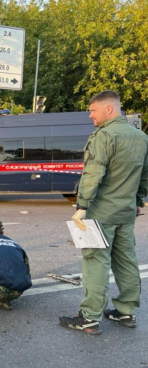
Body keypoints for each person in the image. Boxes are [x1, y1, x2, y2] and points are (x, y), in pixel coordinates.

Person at [60, 90, 148, 335]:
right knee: (126, 260)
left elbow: (93, 173)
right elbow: (145, 174)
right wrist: (139, 199)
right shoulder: (141, 137)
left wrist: (82, 206)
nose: (90, 115)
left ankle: (89, 317)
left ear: (109, 109)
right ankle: (126, 311)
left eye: (93, 110)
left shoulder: (104, 136)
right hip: (126, 211)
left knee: (95, 261)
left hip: (101, 212)